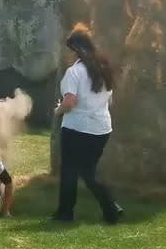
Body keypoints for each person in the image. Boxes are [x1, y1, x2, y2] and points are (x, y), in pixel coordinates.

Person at [51, 24, 123, 224]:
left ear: (76, 50)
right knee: (88, 170)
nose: (68, 55)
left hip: (77, 128)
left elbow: (70, 101)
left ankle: (66, 214)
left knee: (70, 171)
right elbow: (107, 98)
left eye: (70, 51)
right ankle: (111, 208)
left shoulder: (74, 72)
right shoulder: (103, 68)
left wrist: (58, 111)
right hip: (101, 128)